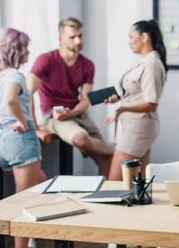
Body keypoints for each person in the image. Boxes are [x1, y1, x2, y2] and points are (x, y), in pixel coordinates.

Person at [97, 19, 167, 248]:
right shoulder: (144, 63)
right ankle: (133, 236)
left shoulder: (152, 64)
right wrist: (121, 98)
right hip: (136, 126)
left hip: (138, 128)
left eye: (131, 36)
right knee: (138, 186)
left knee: (115, 184)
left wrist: (122, 108)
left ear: (144, 37)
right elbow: (139, 94)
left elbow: (151, 102)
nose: (128, 41)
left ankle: (115, 244)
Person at [0, 28, 51, 248]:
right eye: (25, 47)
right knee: (25, 202)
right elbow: (11, 101)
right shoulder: (16, 75)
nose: (29, 52)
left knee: (42, 185)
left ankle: (29, 244)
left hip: (0, 141)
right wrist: (24, 122)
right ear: (16, 49)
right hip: (20, 139)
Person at [27, 17, 114, 176]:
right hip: (53, 117)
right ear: (61, 39)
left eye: (80, 35)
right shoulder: (45, 60)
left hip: (77, 114)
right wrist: (35, 129)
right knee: (82, 138)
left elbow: (86, 99)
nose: (78, 40)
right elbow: (27, 93)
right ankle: (117, 153)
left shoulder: (87, 65)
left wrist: (72, 112)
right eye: (72, 37)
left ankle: (106, 196)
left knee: (106, 162)